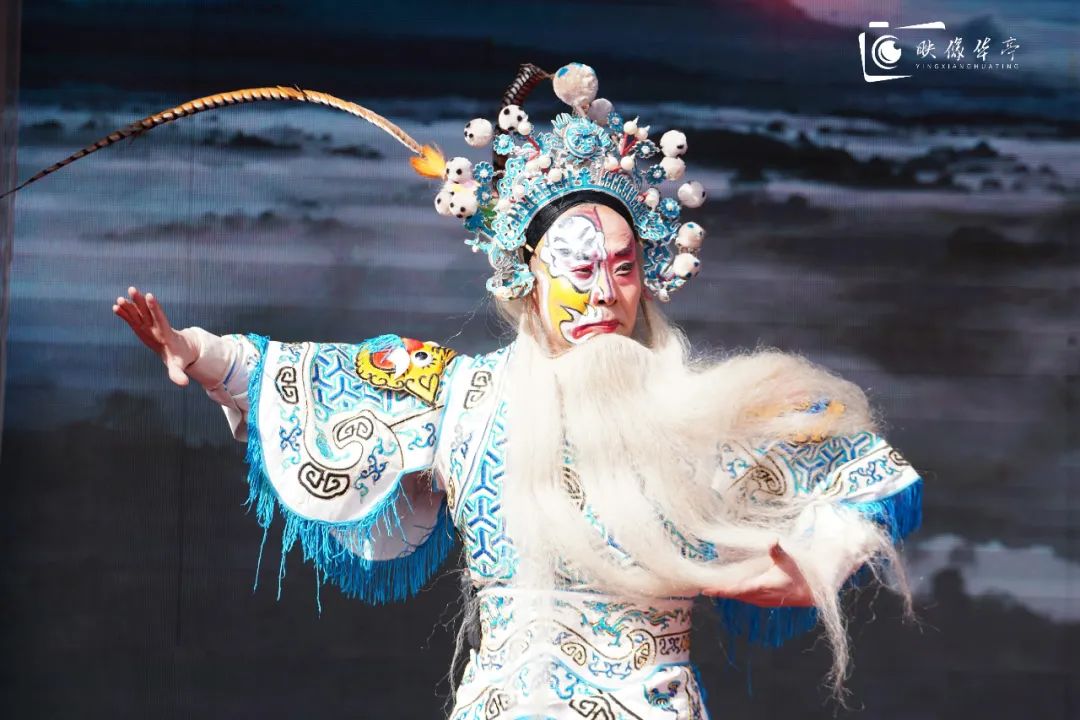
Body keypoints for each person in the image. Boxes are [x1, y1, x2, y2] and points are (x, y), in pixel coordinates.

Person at [22, 62, 924, 719]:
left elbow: (841, 494)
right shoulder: (463, 398)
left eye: (621, 269)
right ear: (528, 279)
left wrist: (810, 561)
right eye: (578, 270)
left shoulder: (695, 414)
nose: (602, 294)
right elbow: (313, 376)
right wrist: (197, 351)